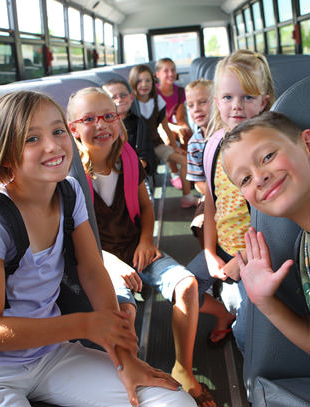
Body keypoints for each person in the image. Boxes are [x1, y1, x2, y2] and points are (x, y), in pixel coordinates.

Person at [0, 90, 196, 407]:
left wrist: (125, 358)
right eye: (32, 139)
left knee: (173, 401)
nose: (54, 145)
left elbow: (91, 269)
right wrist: (84, 325)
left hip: (53, 355)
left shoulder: (69, 192)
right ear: (5, 155)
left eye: (57, 131)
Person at [67, 86, 215, 407]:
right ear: (73, 129)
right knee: (124, 312)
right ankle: (131, 376)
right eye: (89, 118)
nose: (102, 124)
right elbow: (76, 244)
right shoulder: (71, 178)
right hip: (100, 262)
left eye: (109, 116)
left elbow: (146, 208)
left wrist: (147, 239)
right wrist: (113, 264)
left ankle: (183, 368)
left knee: (187, 284)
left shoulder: (128, 157)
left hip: (137, 248)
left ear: (119, 119)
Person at [186, 50, 275, 352]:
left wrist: (242, 261)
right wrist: (210, 251)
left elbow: (278, 223)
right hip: (223, 246)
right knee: (183, 290)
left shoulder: (270, 153)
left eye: (248, 97)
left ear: (264, 101)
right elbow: (212, 203)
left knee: (246, 335)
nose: (236, 106)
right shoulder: (214, 145)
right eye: (227, 97)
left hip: (259, 254)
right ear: (217, 102)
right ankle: (224, 314)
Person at [221, 111, 310, 354]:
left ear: (307, 144)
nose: (259, 178)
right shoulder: (304, 245)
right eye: (245, 178)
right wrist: (266, 303)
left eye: (268, 156)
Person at [129, 64, 198, 209]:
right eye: (140, 81)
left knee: (184, 160)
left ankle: (187, 197)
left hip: (156, 145)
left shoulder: (157, 101)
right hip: (139, 149)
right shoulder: (130, 103)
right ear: (134, 82)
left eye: (148, 81)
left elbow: (165, 126)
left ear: (153, 82)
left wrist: (174, 147)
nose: (144, 85)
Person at [103, 78, 157, 176]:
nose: (119, 99)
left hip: (132, 174)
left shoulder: (140, 125)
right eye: (113, 97)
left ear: (131, 98)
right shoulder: (101, 127)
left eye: (123, 95)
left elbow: (145, 160)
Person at [155, 57, 193, 187]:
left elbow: (180, 118)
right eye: (166, 71)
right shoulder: (154, 93)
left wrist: (184, 129)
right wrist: (176, 129)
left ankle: (189, 169)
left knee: (187, 134)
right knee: (168, 139)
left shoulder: (180, 91)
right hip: (158, 126)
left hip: (172, 124)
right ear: (158, 74)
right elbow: (159, 122)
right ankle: (175, 173)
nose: (171, 74)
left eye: (173, 70)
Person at [185, 79, 213, 248]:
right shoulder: (194, 143)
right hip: (210, 195)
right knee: (199, 223)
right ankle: (208, 254)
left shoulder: (229, 134)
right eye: (191, 105)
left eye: (203, 102)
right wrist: (214, 196)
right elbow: (199, 182)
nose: (196, 109)